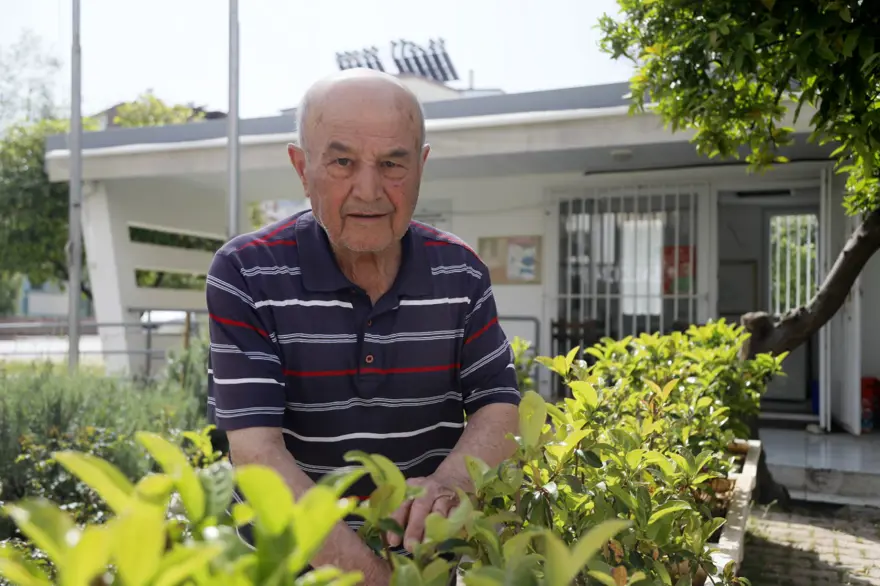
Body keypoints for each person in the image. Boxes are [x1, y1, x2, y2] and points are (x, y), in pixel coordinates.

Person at [205, 68, 520, 585]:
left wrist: (449, 483)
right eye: (342, 162)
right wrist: (373, 578)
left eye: (392, 163)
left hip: (424, 569)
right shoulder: (246, 272)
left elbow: (498, 405)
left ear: (420, 166)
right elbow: (258, 454)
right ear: (302, 167)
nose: (369, 190)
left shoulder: (461, 271)